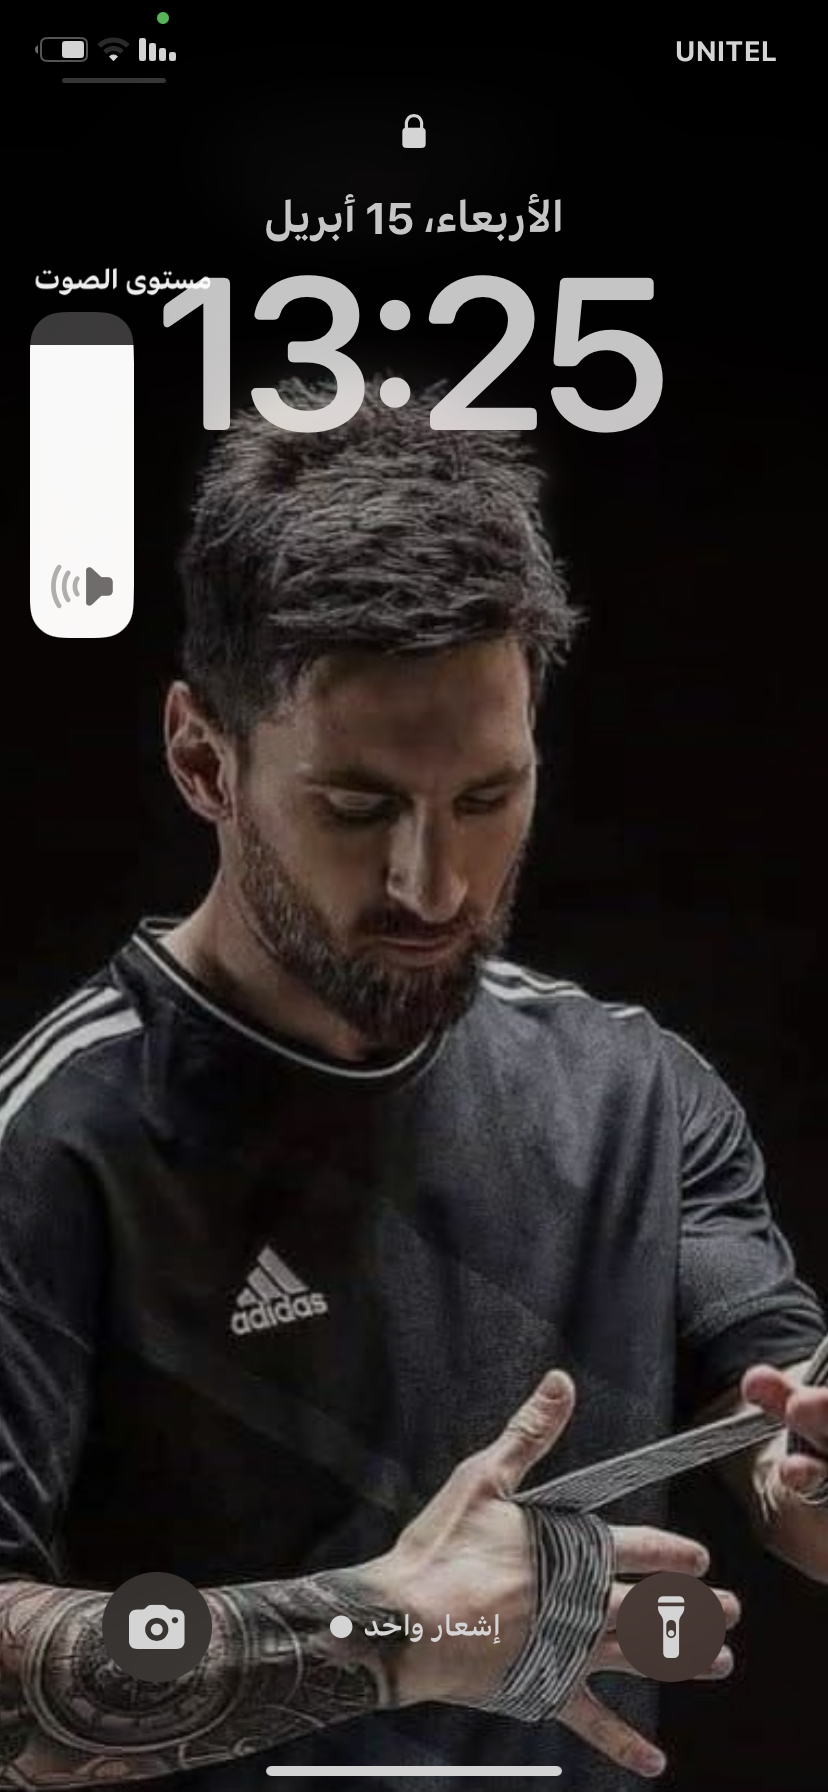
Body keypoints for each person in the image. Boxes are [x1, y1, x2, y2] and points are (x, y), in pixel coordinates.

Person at [1, 384, 826, 1792]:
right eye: (358, 806)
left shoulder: (636, 1093)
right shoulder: (57, 1140)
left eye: (486, 800)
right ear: (203, 758)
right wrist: (381, 1631)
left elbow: (777, 1429)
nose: (431, 886)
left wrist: (801, 1465)